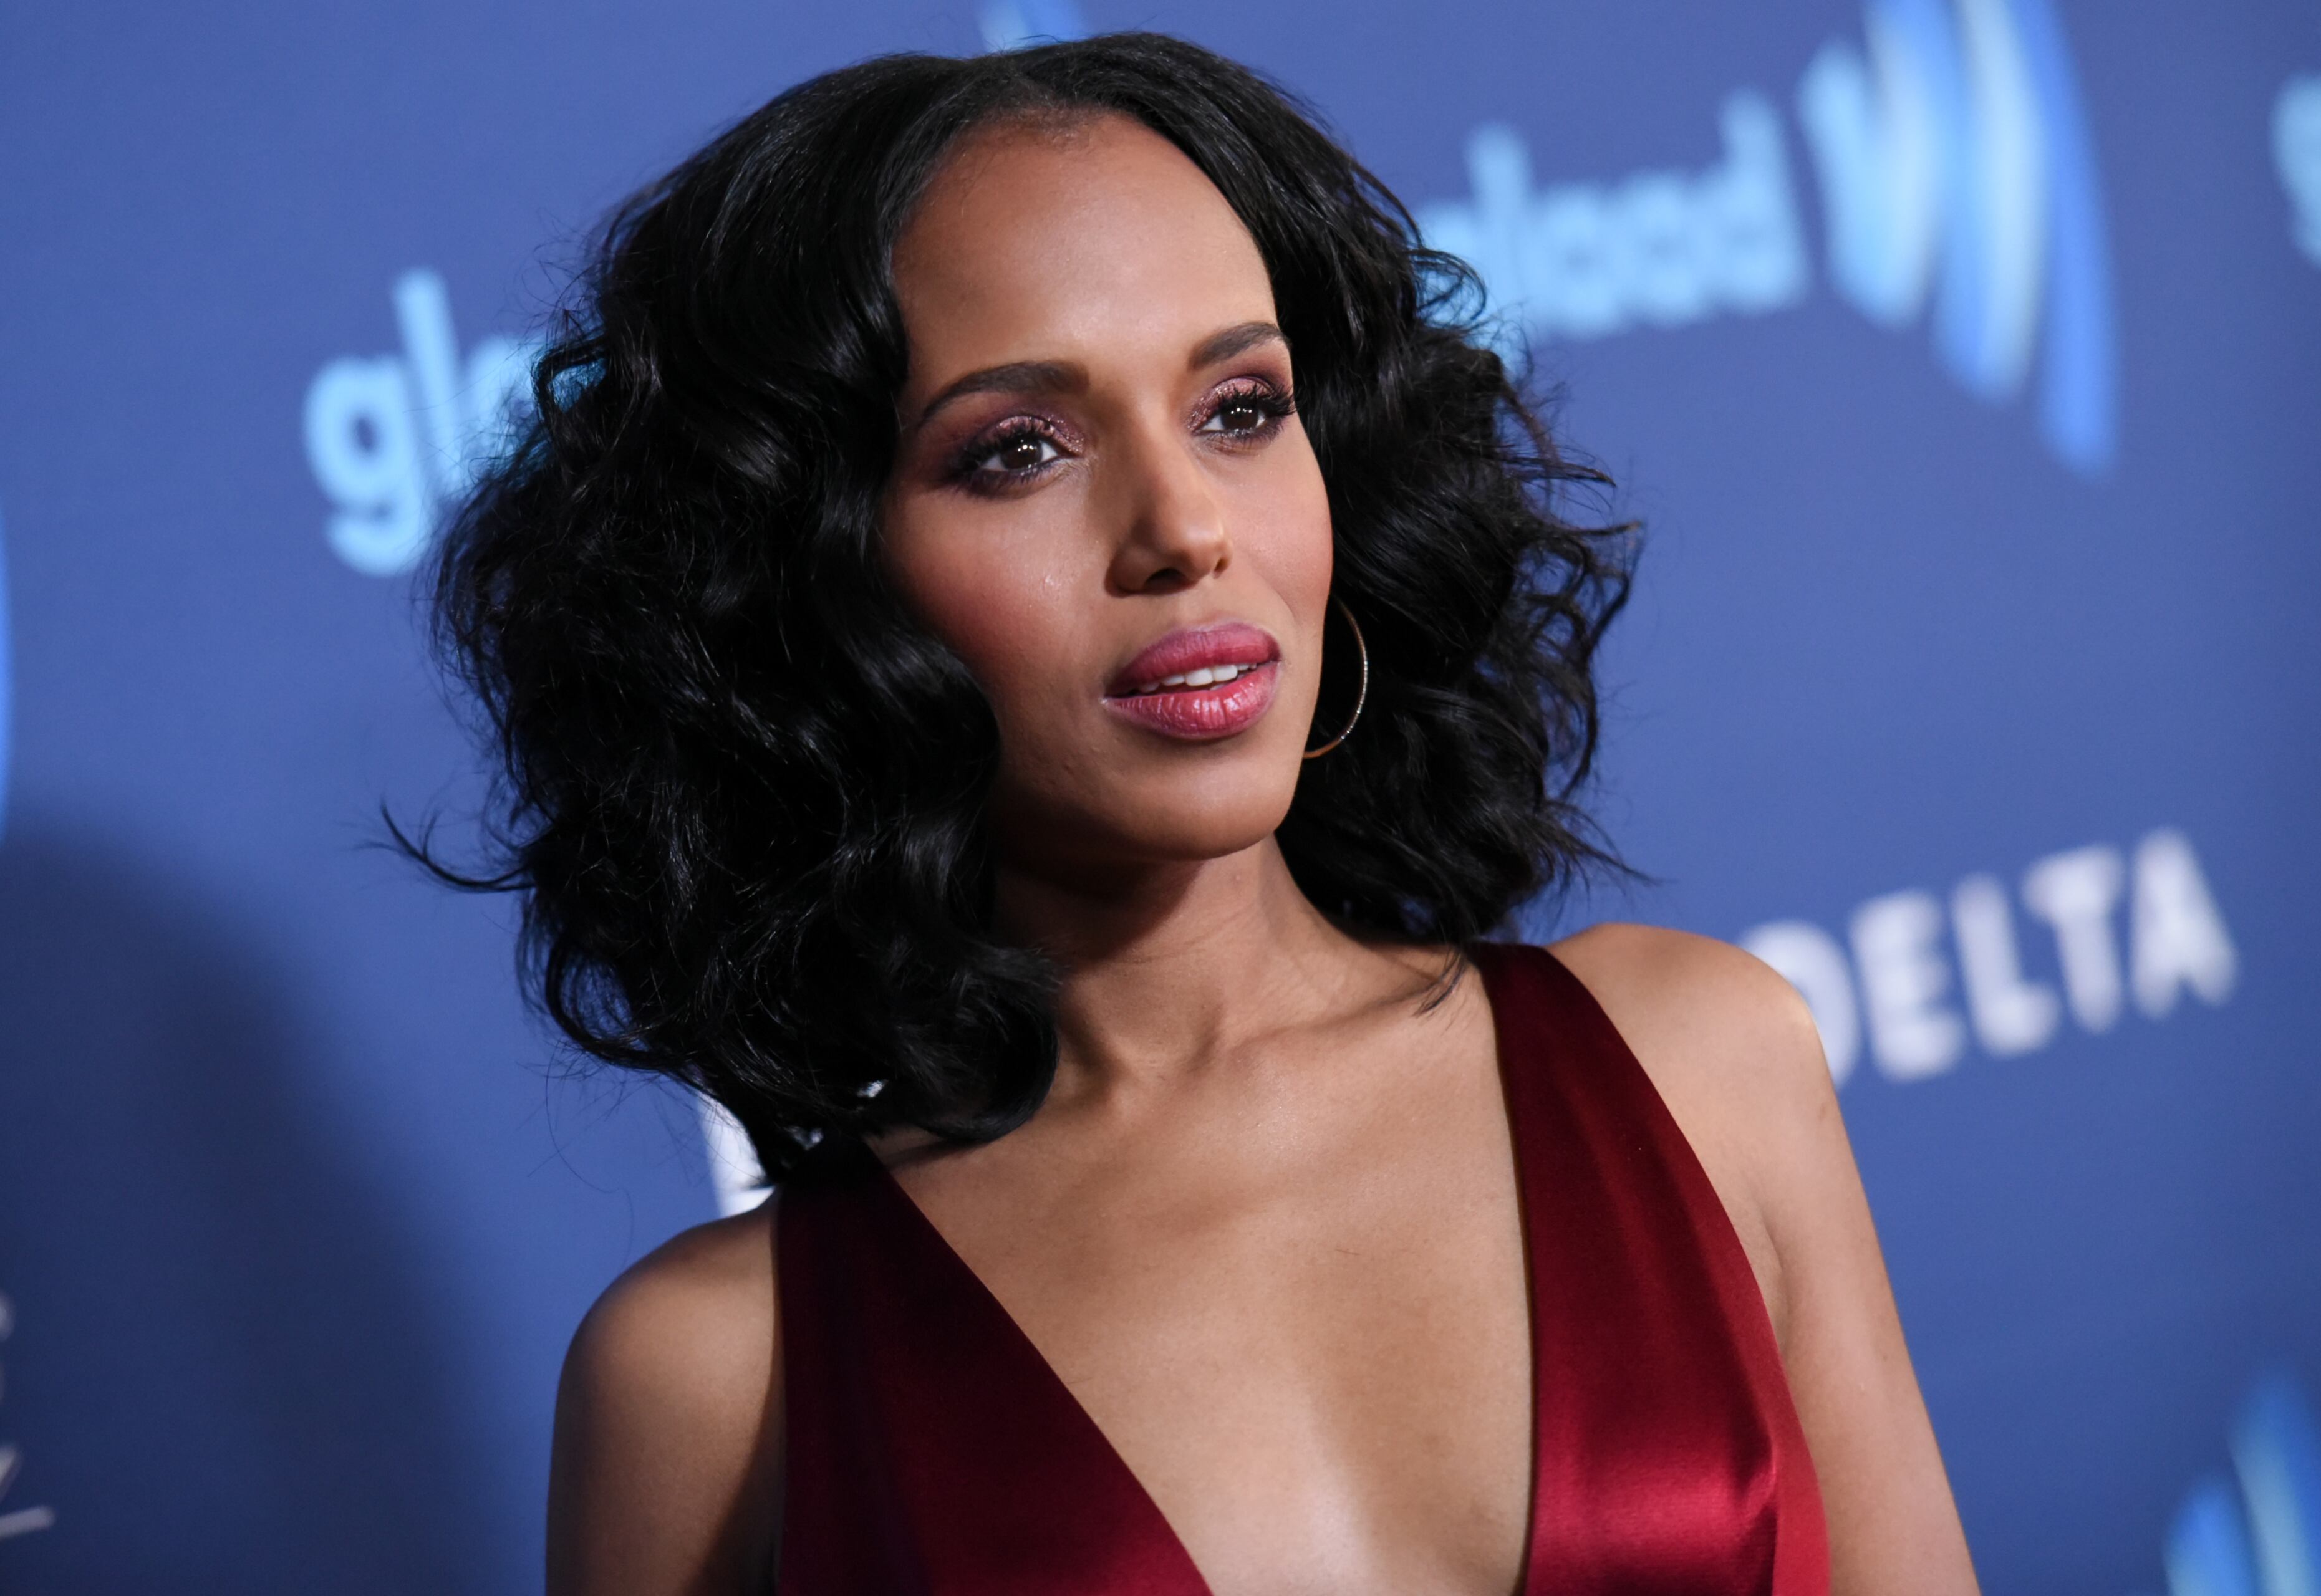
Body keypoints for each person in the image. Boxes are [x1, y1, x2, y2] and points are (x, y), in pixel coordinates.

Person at [425, 30, 1980, 1596]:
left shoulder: (1704, 1061)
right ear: (806, 585)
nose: (1182, 527)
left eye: (1240, 406)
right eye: (1018, 450)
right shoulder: (713, 1374)